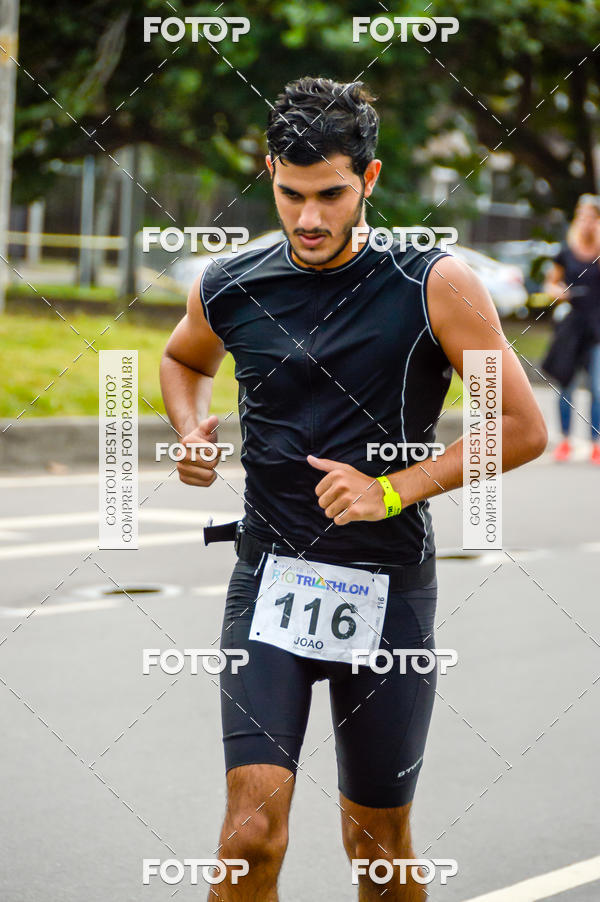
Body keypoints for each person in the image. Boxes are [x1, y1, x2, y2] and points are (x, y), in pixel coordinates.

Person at [160, 76, 547, 901]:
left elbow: (521, 427)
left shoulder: (434, 284)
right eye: (291, 193)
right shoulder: (232, 283)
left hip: (387, 589)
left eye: (331, 194)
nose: (308, 218)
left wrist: (395, 488)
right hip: (267, 580)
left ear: (368, 181)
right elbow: (182, 358)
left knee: (376, 845)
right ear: (269, 171)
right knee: (248, 838)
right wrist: (190, 431)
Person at [542, 194, 600, 464]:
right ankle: (564, 441)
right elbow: (550, 284)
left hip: (597, 328)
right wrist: (559, 292)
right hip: (571, 327)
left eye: (592, 217)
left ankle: (595, 443)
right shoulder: (565, 252)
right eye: (582, 217)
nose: (586, 222)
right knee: (566, 384)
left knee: (597, 388)